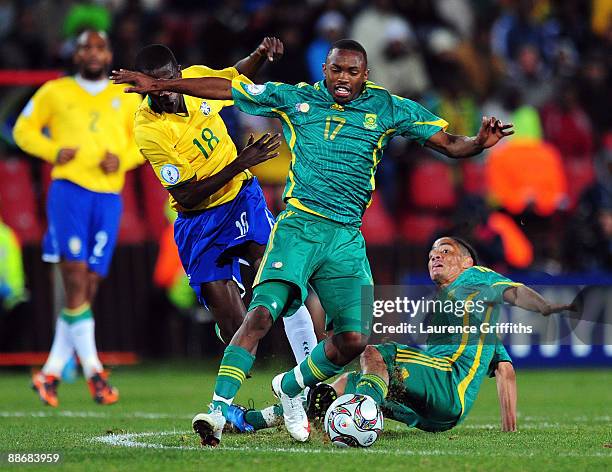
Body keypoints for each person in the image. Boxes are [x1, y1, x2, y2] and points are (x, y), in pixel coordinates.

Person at [112, 38, 514, 446]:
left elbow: (448, 143)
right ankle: (218, 412)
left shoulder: (387, 107)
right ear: (325, 69)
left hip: (346, 238)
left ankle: (289, 386)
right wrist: (166, 86)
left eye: (352, 72)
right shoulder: (297, 99)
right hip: (299, 227)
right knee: (262, 312)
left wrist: (479, 143)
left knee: (355, 339)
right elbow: (230, 88)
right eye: (336, 70)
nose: (343, 79)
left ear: (365, 75)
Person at [130, 40, 318, 366]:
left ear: (177, 73)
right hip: (199, 221)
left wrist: (258, 55)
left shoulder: (195, 82)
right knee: (239, 333)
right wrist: (241, 162)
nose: (163, 91)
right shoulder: (149, 130)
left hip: (241, 199)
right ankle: (229, 405)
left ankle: (309, 374)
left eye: (167, 80)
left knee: (277, 274)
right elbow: (186, 194)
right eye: (154, 85)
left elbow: (234, 77)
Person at [227, 237, 525, 434]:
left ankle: (362, 415)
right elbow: (505, 367)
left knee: (374, 353)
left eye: (445, 252)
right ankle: (250, 421)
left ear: (467, 264)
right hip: (433, 416)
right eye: (432, 254)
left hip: (445, 392)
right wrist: (509, 429)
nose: (436, 257)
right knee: (339, 386)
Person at [13, 30, 144, 407]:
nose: (92, 53)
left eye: (99, 47)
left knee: (87, 285)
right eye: (86, 46)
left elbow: (143, 139)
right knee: (74, 279)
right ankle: (95, 372)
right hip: (68, 192)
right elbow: (21, 130)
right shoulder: (55, 91)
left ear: (109, 54)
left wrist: (125, 158)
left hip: (108, 197)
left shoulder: (124, 94)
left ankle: (49, 373)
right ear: (76, 53)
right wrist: (53, 150)